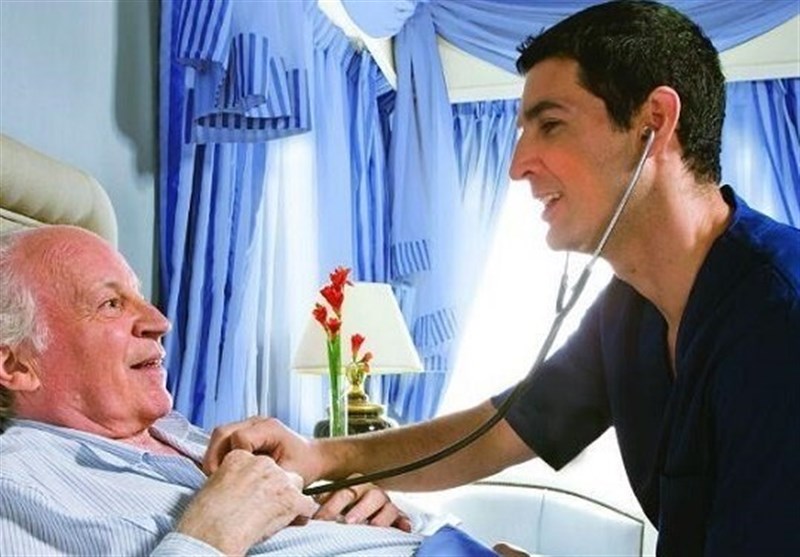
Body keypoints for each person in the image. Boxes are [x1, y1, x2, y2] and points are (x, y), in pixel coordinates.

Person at [199, 2, 800, 556]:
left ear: (654, 122)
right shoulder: (630, 309)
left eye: (550, 124)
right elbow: (497, 430)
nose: (517, 165)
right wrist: (322, 455)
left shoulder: (779, 314)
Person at [0, 225, 502, 557]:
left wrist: (374, 514)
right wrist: (210, 535)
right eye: (110, 304)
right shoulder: (18, 480)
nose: (159, 320)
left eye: (139, 297)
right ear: (16, 364)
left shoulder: (191, 439)